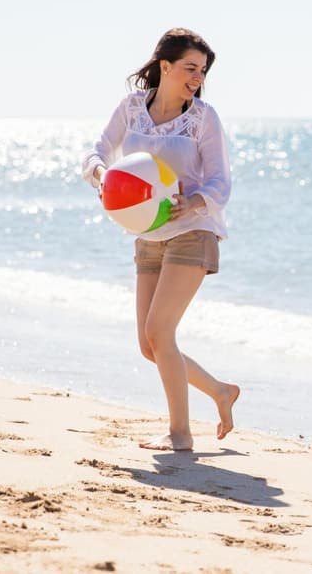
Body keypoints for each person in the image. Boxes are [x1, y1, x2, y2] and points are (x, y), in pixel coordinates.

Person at [83, 28, 239, 451]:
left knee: (159, 331)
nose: (197, 78)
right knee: (149, 345)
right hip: (147, 232)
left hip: (193, 230)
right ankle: (221, 392)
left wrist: (195, 205)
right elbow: (95, 151)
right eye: (190, 68)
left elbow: (221, 181)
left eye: (202, 71)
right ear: (165, 66)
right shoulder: (132, 108)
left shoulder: (204, 118)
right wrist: (101, 175)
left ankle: (180, 434)